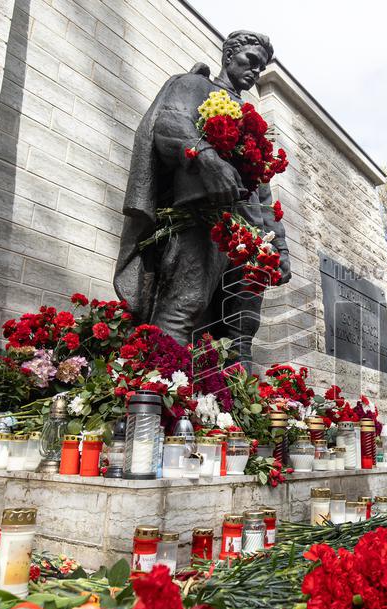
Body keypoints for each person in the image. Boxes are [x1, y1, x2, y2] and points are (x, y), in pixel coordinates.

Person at [114, 30, 291, 366]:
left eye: (261, 66)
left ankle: (236, 413)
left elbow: (262, 190)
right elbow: (169, 125)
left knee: (242, 328)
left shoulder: (251, 118)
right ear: (228, 56)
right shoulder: (195, 85)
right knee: (185, 306)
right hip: (202, 218)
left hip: (249, 237)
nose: (255, 71)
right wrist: (207, 156)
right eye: (250, 61)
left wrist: (278, 247)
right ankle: (164, 402)